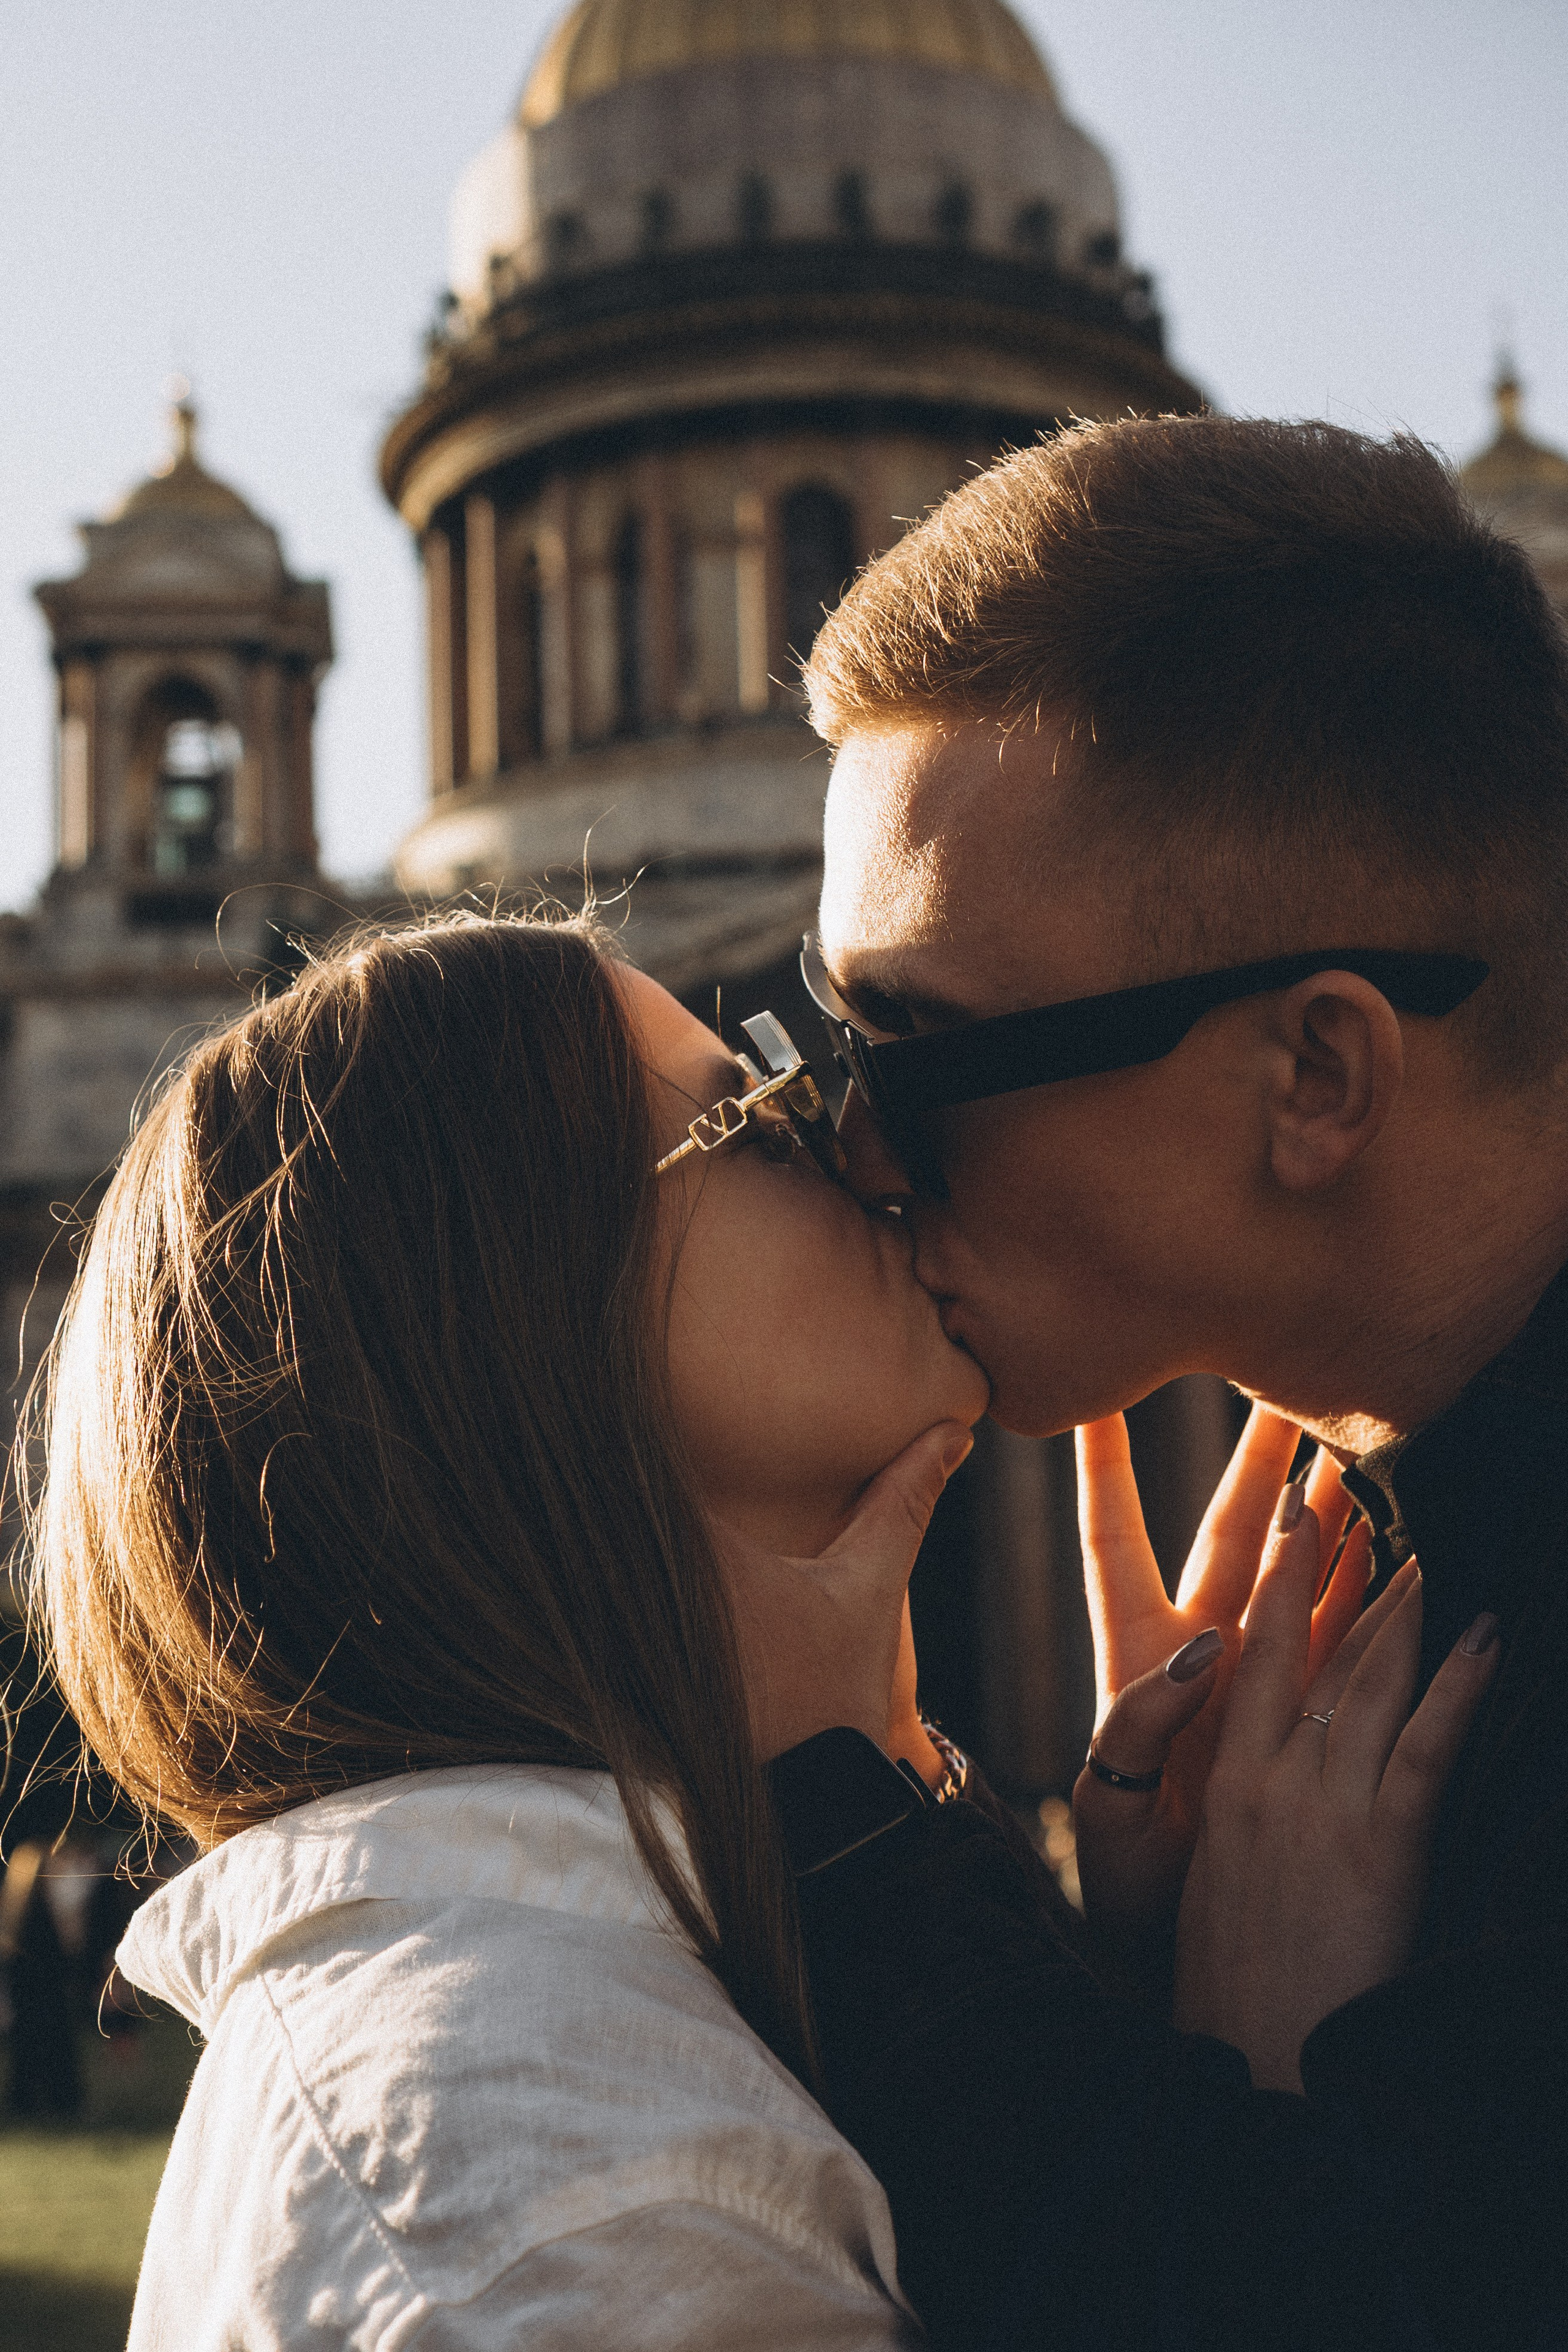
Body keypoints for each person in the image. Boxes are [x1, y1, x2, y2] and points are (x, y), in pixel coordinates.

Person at [28, 911, 1482, 2350]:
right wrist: (1271, 2099)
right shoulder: (572, 2197)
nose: (877, 1154)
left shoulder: (629, 2027)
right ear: (514, 1321)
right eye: (760, 1118)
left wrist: (1134, 2024)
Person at [783, 413, 1568, 2348]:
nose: (848, 1151)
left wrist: (836, 1805)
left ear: (1317, 1077)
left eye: (910, 1056)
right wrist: (1153, 1988)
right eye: (806, 1040)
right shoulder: (1375, 1593)